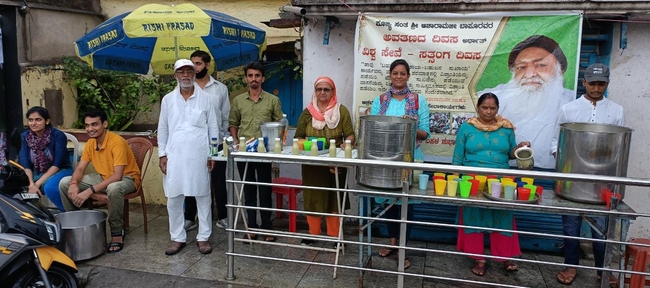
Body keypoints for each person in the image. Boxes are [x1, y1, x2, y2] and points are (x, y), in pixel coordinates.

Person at [552, 63, 623, 286]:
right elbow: (556, 141)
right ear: (584, 83)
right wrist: (564, 160)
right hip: (573, 178)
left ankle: (602, 270)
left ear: (607, 84)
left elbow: (619, 147)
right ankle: (571, 265)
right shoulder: (569, 109)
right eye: (592, 83)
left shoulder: (617, 110)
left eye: (601, 84)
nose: (596, 88)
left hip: (602, 182)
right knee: (571, 226)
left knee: (601, 229)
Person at [452, 93, 530, 276]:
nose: (488, 111)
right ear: (478, 108)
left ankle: (505, 256)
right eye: (484, 108)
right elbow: (457, 158)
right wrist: (455, 181)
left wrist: (519, 149)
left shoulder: (506, 128)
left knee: (503, 217)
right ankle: (479, 257)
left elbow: (511, 154)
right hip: (473, 181)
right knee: (474, 216)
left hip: (501, 179)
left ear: (497, 109)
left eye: (492, 108)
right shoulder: (466, 128)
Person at [477, 35, 575, 169]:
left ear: (560, 70)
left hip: (551, 176)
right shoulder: (496, 98)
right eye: (521, 67)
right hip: (503, 172)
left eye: (540, 65)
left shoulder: (571, 104)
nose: (529, 75)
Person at [370, 59, 430, 269]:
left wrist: (410, 125)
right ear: (390, 75)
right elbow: (375, 126)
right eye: (395, 73)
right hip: (385, 159)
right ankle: (392, 244)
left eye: (402, 73)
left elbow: (425, 132)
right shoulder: (379, 100)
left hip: (410, 158)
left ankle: (403, 249)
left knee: (407, 205)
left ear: (408, 76)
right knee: (388, 204)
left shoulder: (417, 101)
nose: (398, 77)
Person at [158, 59, 219, 255]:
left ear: (194, 74)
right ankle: (177, 237)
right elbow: (163, 129)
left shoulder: (206, 99)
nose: (186, 75)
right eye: (181, 72)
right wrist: (162, 154)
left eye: (189, 71)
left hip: (199, 155)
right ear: (175, 75)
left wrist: (213, 153)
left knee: (203, 196)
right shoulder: (168, 99)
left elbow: (213, 128)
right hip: (174, 156)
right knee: (174, 198)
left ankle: (203, 237)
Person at [59, 109, 140, 253]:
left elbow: (117, 176)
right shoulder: (90, 143)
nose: (90, 129)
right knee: (64, 182)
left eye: (94, 124)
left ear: (105, 124)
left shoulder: (117, 142)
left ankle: (117, 233)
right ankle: (78, 223)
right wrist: (73, 184)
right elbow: (80, 169)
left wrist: (89, 191)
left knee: (114, 188)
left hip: (127, 178)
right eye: (87, 125)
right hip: (102, 177)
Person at [294, 76, 355, 246]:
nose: (322, 92)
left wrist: (346, 143)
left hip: (335, 162)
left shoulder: (341, 111)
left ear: (332, 92)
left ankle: (336, 237)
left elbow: (350, 134)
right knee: (313, 195)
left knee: (334, 197)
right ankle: (313, 234)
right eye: (319, 89)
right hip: (312, 164)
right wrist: (305, 142)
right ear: (315, 91)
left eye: (326, 89)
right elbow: (298, 136)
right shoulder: (307, 113)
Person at [229, 62, 283, 242]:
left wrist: (277, 144)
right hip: (244, 152)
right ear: (246, 78)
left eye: (257, 76)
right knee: (249, 190)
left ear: (263, 78)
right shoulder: (238, 101)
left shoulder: (272, 100)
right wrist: (236, 141)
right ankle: (251, 227)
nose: (254, 79)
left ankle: (267, 228)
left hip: (265, 152)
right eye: (250, 76)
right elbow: (233, 123)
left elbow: (279, 125)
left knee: (265, 190)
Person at [183, 50, 231, 232]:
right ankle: (189, 218)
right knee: (191, 180)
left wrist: (225, 141)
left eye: (198, 63)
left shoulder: (220, 88)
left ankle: (223, 217)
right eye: (192, 63)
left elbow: (225, 117)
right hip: (193, 143)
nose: (194, 67)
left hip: (216, 142)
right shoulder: (186, 87)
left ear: (207, 65)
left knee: (219, 181)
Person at [19, 106, 73, 211]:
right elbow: (24, 161)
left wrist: (37, 184)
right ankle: (36, 218)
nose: (33, 123)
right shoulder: (25, 136)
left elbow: (58, 163)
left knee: (50, 188)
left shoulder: (58, 135)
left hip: (61, 170)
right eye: (30, 120)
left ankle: (69, 213)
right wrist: (31, 183)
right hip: (35, 172)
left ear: (47, 121)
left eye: (38, 120)